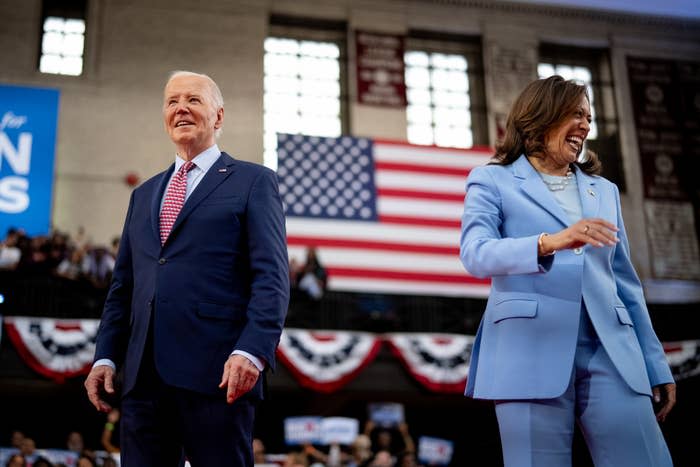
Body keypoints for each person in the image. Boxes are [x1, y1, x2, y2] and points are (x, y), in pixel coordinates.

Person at [459, 75, 675, 466]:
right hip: (528, 347)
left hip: (612, 351)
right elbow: (476, 254)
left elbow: (625, 283)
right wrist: (550, 241)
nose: (586, 126)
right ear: (542, 116)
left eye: (589, 118)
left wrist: (655, 362)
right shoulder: (492, 179)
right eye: (576, 114)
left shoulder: (603, 190)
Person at [84, 70, 289, 466]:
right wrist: (105, 357)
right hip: (141, 379)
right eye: (172, 101)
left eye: (193, 100)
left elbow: (272, 278)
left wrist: (252, 351)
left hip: (219, 374)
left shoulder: (253, 181)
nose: (181, 108)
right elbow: (123, 288)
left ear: (219, 116)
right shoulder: (143, 195)